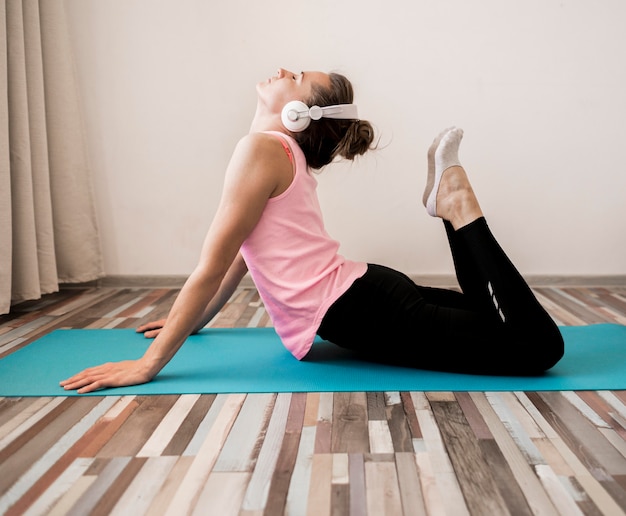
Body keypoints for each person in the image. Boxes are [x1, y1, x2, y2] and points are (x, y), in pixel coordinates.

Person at [61, 68, 564, 394]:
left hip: (362, 308)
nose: (283, 70)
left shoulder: (263, 151)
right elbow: (241, 257)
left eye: (297, 76)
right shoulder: (279, 153)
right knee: (510, 325)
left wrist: (148, 364)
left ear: (299, 113)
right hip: (366, 297)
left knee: (538, 347)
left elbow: (213, 264)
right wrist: (192, 324)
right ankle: (453, 208)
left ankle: (459, 208)